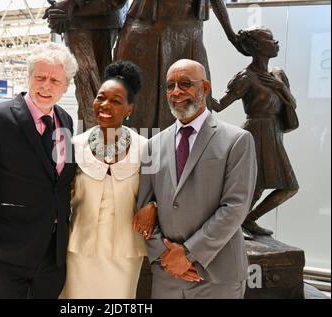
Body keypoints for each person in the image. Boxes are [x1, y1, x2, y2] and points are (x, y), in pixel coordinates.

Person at [0, 42, 79, 299]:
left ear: (66, 86)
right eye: (40, 77)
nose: (46, 86)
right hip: (7, 250)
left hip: (53, 254)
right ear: (28, 77)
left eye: (55, 80)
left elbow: (60, 182)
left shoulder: (66, 121)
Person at [135, 59, 257, 299]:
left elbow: (235, 207)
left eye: (185, 83)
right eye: (170, 86)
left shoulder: (238, 140)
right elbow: (144, 209)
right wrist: (165, 256)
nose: (176, 91)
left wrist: (189, 254)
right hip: (167, 274)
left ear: (206, 88)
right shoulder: (152, 146)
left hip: (217, 277)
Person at [60, 61, 149, 299]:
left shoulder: (145, 148)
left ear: (129, 109)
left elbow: (157, 196)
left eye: (116, 101)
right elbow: (56, 194)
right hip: (78, 251)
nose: (105, 105)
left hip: (125, 254)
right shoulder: (74, 145)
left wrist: (154, 207)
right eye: (101, 97)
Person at [212, 27, 299, 238]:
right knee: (253, 185)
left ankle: (247, 220)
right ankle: (236, 224)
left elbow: (292, 104)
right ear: (258, 47)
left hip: (274, 132)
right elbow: (219, 105)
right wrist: (200, 89)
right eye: (270, 39)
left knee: (287, 187)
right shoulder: (246, 77)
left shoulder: (277, 74)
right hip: (255, 133)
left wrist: (281, 88)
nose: (276, 42)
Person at [114, 0, 241, 131]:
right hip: (145, 33)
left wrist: (232, 36)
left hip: (189, 32)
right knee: (141, 112)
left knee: (191, 114)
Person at [44, 0, 128, 130]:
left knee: (93, 86)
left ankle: (96, 141)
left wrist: (71, 5)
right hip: (77, 20)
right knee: (88, 87)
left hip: (98, 16)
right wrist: (59, 10)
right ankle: (94, 139)